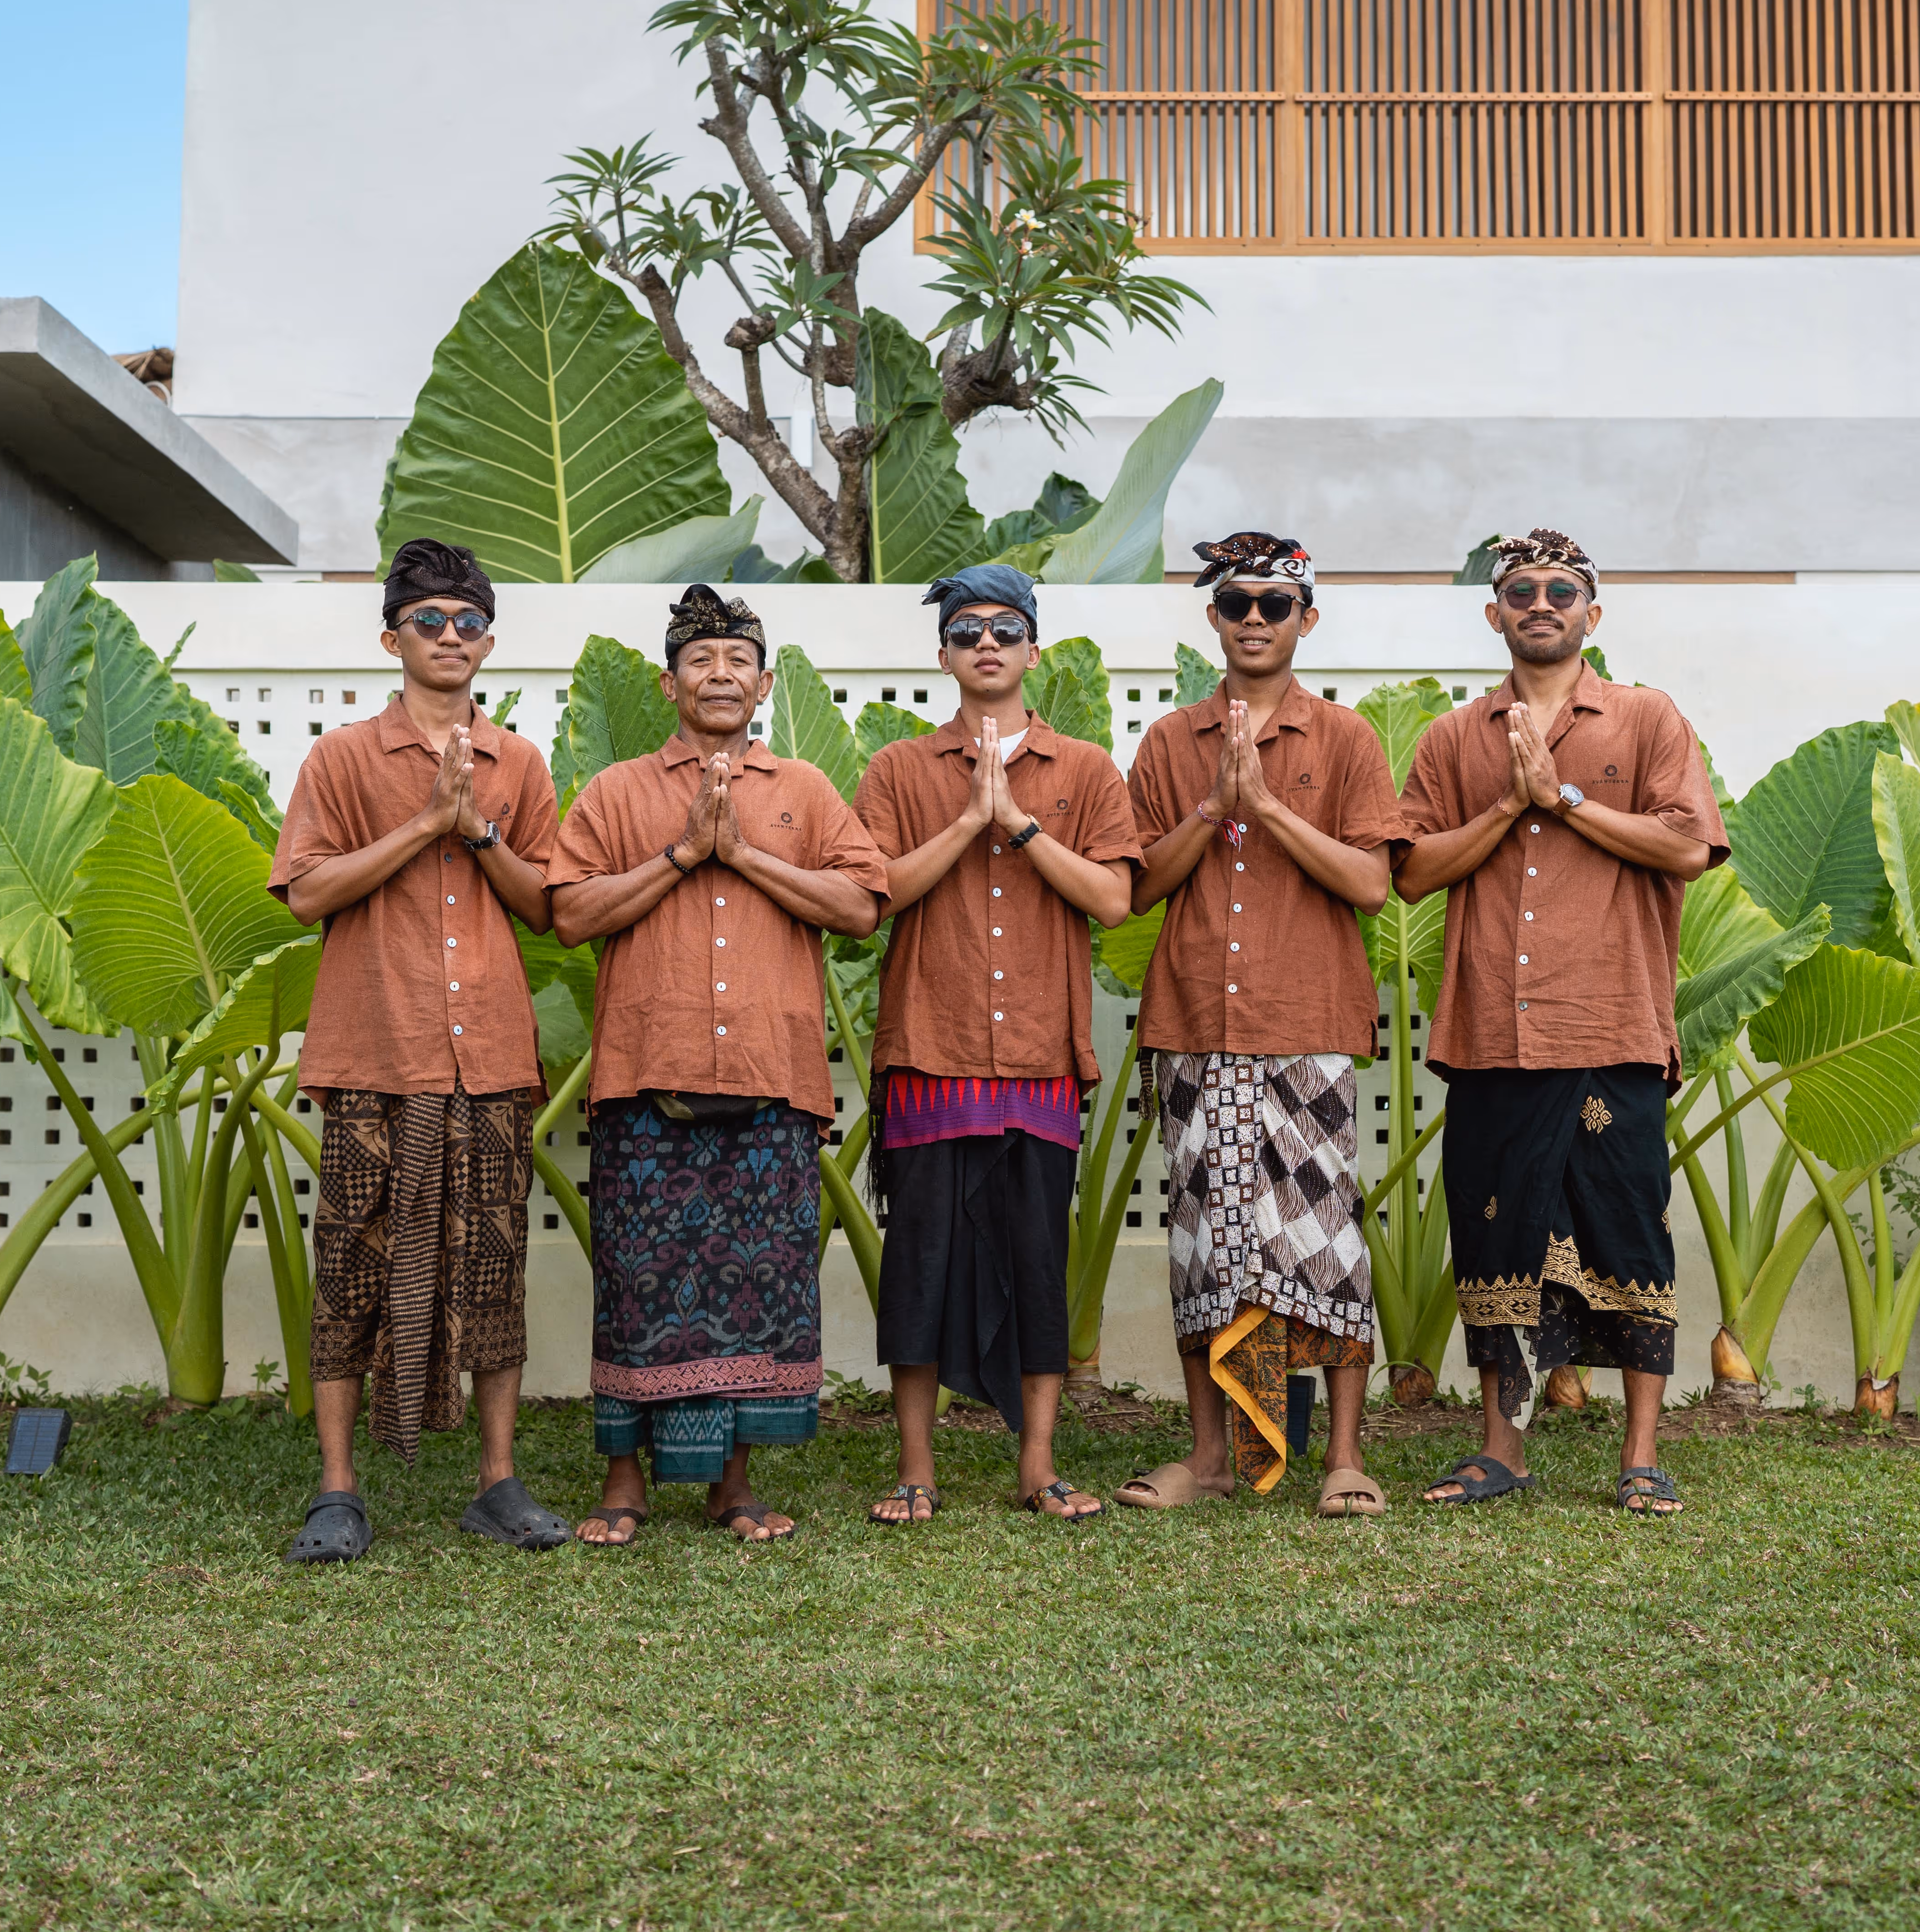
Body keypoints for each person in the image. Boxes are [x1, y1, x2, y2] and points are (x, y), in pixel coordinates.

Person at [1395, 528, 1727, 1518]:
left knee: (1630, 1234)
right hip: (1495, 1029)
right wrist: (1511, 804)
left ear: (1592, 611)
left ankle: (1641, 1453)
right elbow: (1412, 869)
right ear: (1495, 614)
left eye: (1562, 589)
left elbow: (1687, 844)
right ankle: (1501, 1450)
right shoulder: (1455, 738)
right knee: (1493, 1236)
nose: (1541, 603)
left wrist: (1567, 798)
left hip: (1612, 1022)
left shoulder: (1645, 719)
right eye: (1521, 591)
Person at [549, 584, 888, 1545]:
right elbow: (571, 913)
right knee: (640, 1282)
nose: (721, 675)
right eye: (701, 661)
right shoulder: (617, 792)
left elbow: (863, 904)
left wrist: (741, 856)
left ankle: (732, 1487)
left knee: (754, 1287)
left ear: (766, 681)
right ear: (669, 682)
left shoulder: (806, 793)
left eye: (739, 661)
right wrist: (681, 855)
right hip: (646, 1080)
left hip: (772, 1080)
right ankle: (624, 1485)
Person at [270, 537, 567, 1563]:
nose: (451, 637)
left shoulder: (520, 765)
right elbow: (307, 892)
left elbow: (549, 911)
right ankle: (339, 1489)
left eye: (469, 622)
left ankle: (496, 1481)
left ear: (491, 642)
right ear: (392, 636)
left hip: (486, 1053)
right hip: (373, 1049)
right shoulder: (343, 758)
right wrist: (423, 825)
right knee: (349, 1263)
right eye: (431, 621)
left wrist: (477, 829)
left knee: (495, 1265)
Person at [1112, 533, 1404, 1519]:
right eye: (1235, 602)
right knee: (1205, 1240)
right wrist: (1212, 807)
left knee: (1326, 1243)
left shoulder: (1347, 741)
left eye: (1274, 605)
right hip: (1196, 1019)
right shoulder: (1168, 743)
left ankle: (1345, 1458)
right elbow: (1139, 886)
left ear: (1305, 620)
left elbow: (1372, 882)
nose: (1252, 619)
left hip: (1309, 1021)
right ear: (1213, 618)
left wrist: (1270, 809)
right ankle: (1210, 1456)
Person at [854, 565, 1140, 1525]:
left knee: (1035, 1262)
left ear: (1032, 649)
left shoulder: (1086, 770)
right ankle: (916, 1466)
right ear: (943, 653)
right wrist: (969, 817)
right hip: (930, 1054)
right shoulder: (900, 770)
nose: (987, 642)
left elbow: (1111, 896)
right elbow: (875, 894)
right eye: (967, 628)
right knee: (921, 1263)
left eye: (1005, 627)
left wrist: (1015, 824)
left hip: (1040, 1061)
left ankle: (1038, 1461)